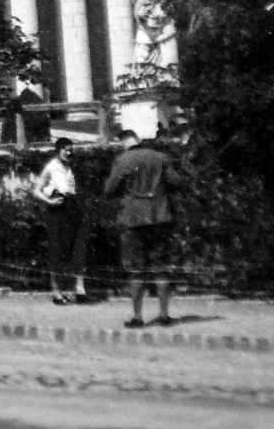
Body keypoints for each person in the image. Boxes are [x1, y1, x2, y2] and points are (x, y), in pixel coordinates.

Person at [103, 130, 182, 328]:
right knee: (161, 267)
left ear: (123, 143)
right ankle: (164, 314)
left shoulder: (123, 160)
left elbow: (109, 189)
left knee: (135, 270)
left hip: (133, 218)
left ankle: (138, 317)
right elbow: (176, 182)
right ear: (138, 140)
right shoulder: (160, 157)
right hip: (159, 217)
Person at [31, 138, 87, 304]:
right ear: (58, 150)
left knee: (78, 247)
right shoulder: (51, 167)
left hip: (72, 207)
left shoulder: (71, 167)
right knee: (57, 250)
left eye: (70, 150)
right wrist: (49, 202)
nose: (68, 153)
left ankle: (80, 288)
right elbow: (37, 190)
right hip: (57, 210)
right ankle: (57, 292)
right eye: (65, 149)